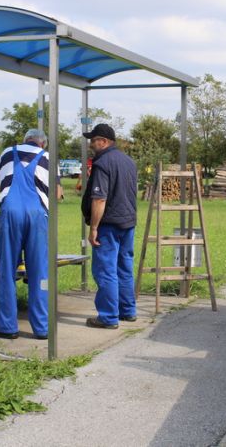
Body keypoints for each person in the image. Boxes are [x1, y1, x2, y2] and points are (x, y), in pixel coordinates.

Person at [0, 128, 58, 340]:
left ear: (25, 140)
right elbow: (56, 193)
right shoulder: (48, 158)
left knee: (7, 270)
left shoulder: (6, 153)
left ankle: (8, 327)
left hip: (10, 213)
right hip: (37, 214)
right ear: (43, 144)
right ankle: (42, 329)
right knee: (39, 272)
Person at [81, 123, 138, 329]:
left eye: (93, 140)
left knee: (106, 270)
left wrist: (94, 227)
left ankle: (108, 317)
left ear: (104, 141)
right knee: (124, 267)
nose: (91, 145)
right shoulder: (129, 162)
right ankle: (128, 311)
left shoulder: (103, 163)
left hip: (108, 225)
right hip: (128, 223)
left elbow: (99, 199)